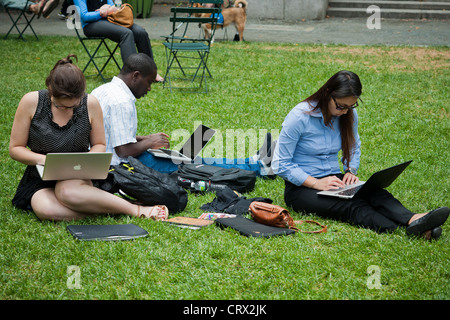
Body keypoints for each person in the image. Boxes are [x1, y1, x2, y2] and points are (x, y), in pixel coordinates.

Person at [272, 70, 449, 240]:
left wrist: (350, 170)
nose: (345, 111)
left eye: (351, 106)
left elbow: (354, 145)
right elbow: (281, 163)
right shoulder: (299, 116)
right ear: (327, 93)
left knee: (375, 192)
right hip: (301, 189)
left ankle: (413, 219)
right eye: (341, 106)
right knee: (351, 205)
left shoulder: (348, 114)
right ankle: (404, 230)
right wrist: (317, 183)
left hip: (335, 180)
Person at [9, 54, 168, 222]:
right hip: (41, 174)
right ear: (50, 90)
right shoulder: (31, 101)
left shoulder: (90, 103)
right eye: (60, 105)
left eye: (73, 105)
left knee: (67, 192)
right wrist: (44, 160)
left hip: (77, 172)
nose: (67, 109)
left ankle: (135, 209)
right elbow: (15, 149)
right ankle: (111, 209)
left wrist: (88, 161)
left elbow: (99, 143)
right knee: (45, 209)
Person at [91, 53, 274, 176]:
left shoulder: (105, 90)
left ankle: (252, 161)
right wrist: (149, 142)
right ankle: (259, 167)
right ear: (135, 76)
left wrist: (144, 138)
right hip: (122, 167)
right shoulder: (122, 100)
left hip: (117, 161)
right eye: (149, 83)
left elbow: (110, 135)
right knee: (194, 166)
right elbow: (122, 151)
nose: (148, 89)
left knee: (189, 158)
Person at [73, 0, 164, 82]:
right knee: (126, 33)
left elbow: (113, 8)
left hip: (110, 20)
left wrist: (109, 10)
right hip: (90, 25)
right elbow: (84, 16)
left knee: (140, 32)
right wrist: (102, 13)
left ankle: (151, 72)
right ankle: (132, 74)